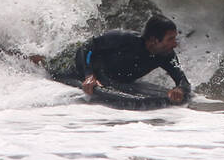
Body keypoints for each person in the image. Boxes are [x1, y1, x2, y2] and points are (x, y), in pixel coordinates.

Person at [46, 14, 191, 104]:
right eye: (170, 39)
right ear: (154, 40)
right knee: (46, 66)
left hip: (106, 76)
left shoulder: (166, 56)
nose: (175, 43)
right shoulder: (124, 38)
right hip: (75, 61)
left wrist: (180, 89)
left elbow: (183, 80)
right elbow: (86, 48)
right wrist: (89, 75)